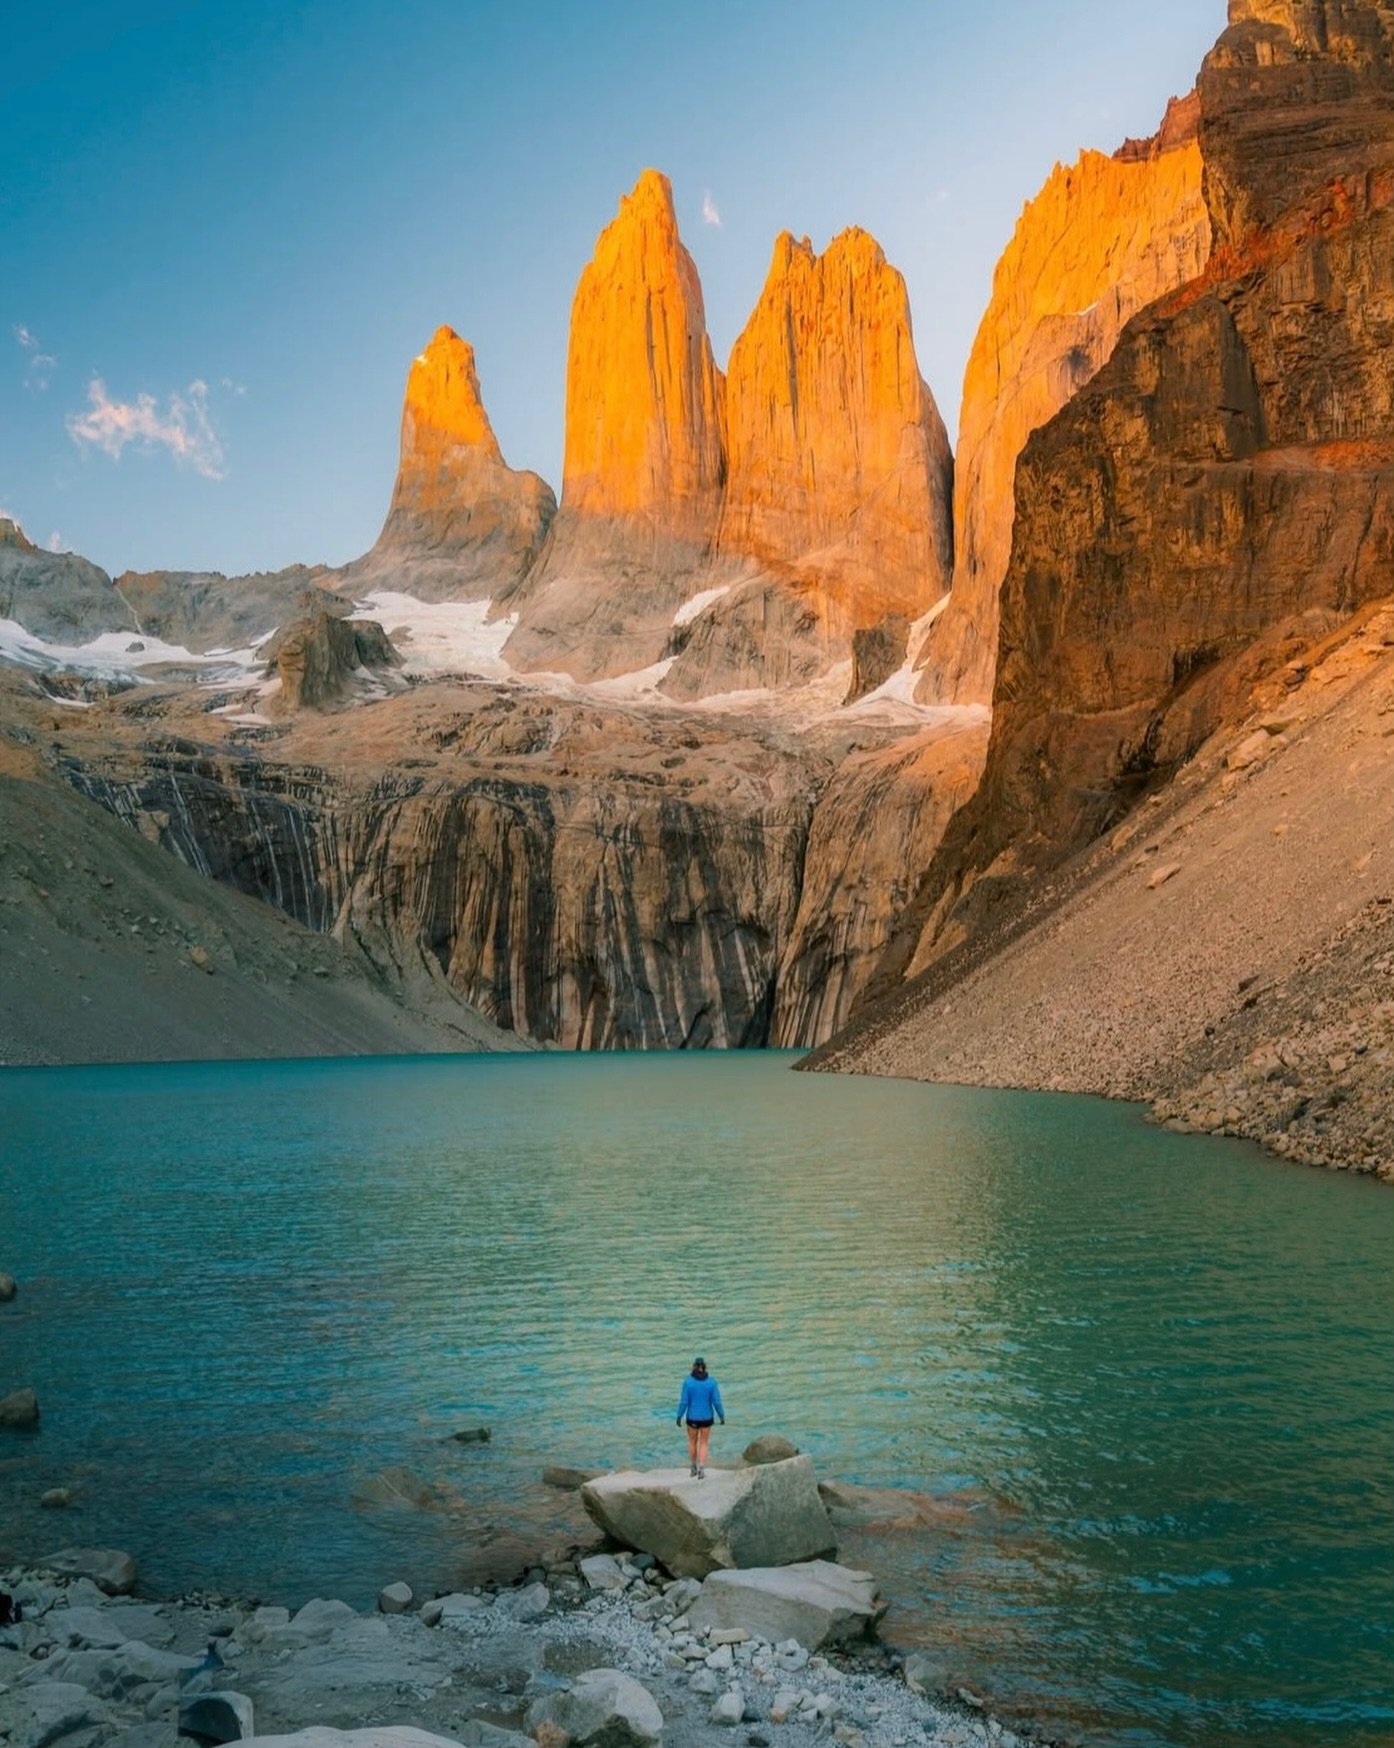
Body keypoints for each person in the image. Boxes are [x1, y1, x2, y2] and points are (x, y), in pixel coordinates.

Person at [675, 1355, 724, 1478]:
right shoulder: (711, 1383)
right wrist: (721, 1416)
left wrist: (679, 1416)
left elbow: (684, 1402)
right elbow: (716, 1402)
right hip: (707, 1418)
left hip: (692, 1418)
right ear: (705, 1367)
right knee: (704, 1443)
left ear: (693, 1367)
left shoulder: (688, 1382)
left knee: (692, 1442)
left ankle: (693, 1468)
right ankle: (701, 1468)